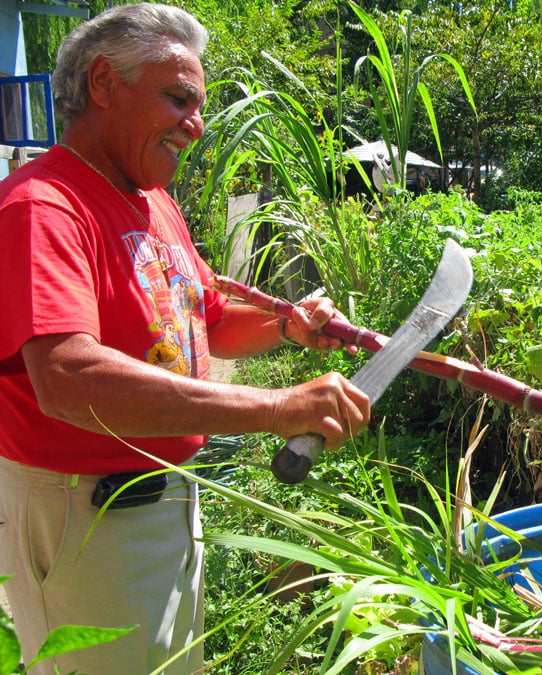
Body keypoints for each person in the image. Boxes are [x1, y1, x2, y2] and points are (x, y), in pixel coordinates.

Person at [0, 4, 370, 673]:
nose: (195, 127)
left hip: (165, 499)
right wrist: (275, 407)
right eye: (178, 100)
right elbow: (66, 376)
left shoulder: (151, 200)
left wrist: (287, 324)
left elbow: (206, 321)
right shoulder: (44, 206)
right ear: (105, 83)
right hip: (86, 517)